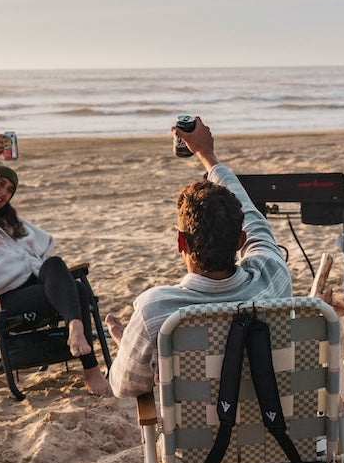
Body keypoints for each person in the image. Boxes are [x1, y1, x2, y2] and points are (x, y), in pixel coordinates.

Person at [106, 117, 292, 399]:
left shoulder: (156, 313)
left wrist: (127, 346)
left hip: (199, 444)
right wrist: (207, 156)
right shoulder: (273, 274)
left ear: (181, 241)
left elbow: (124, 387)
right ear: (241, 241)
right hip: (276, 434)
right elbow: (255, 220)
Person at [0, 134, 110, 396]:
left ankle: (75, 329)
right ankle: (91, 369)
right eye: (0, 184)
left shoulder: (8, 226)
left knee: (59, 268)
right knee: (78, 292)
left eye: (9, 190)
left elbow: (39, 254)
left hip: (28, 289)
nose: (3, 193)